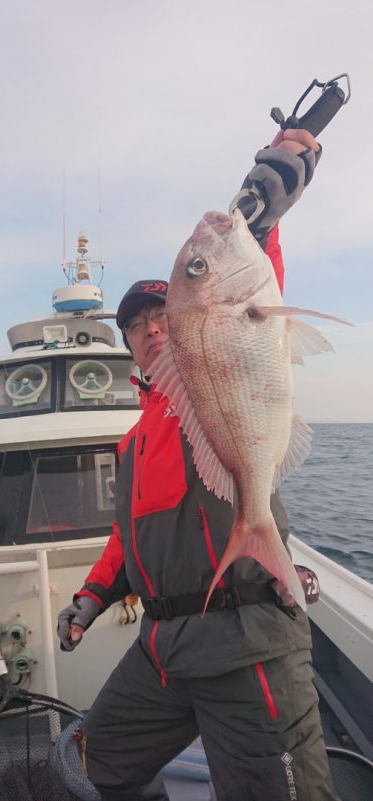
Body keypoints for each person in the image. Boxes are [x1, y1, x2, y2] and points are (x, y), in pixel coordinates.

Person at [57, 129, 339, 801]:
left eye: (162, 314)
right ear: (127, 344)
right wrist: (92, 597)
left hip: (245, 637)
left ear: (184, 325)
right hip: (163, 647)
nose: (152, 328)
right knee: (98, 760)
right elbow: (131, 539)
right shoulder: (132, 442)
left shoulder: (200, 394)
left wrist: (263, 215)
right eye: (137, 324)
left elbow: (248, 310)